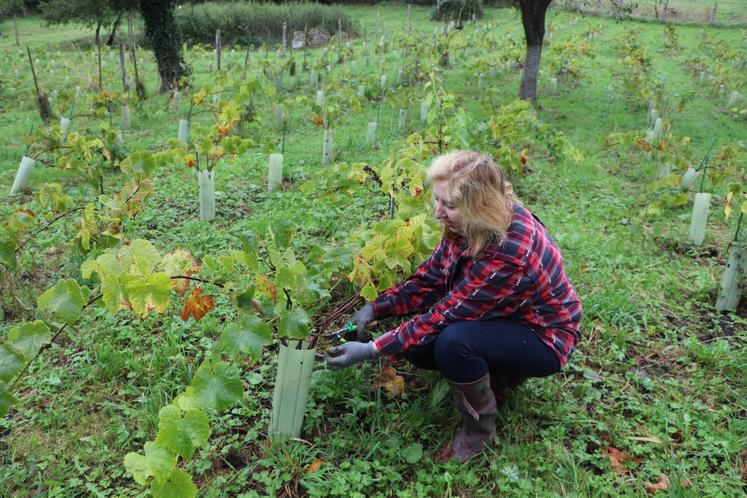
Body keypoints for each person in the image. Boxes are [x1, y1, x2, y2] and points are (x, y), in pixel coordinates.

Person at [326, 151, 582, 462]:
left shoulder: (512, 252)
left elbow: (444, 314)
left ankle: (479, 433)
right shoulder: (471, 224)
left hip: (543, 337)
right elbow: (431, 277)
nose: (437, 213)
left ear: (478, 207)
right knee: (418, 346)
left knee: (451, 342)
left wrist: (372, 349)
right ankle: (496, 373)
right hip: (505, 315)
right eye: (437, 200)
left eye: (448, 205)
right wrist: (375, 308)